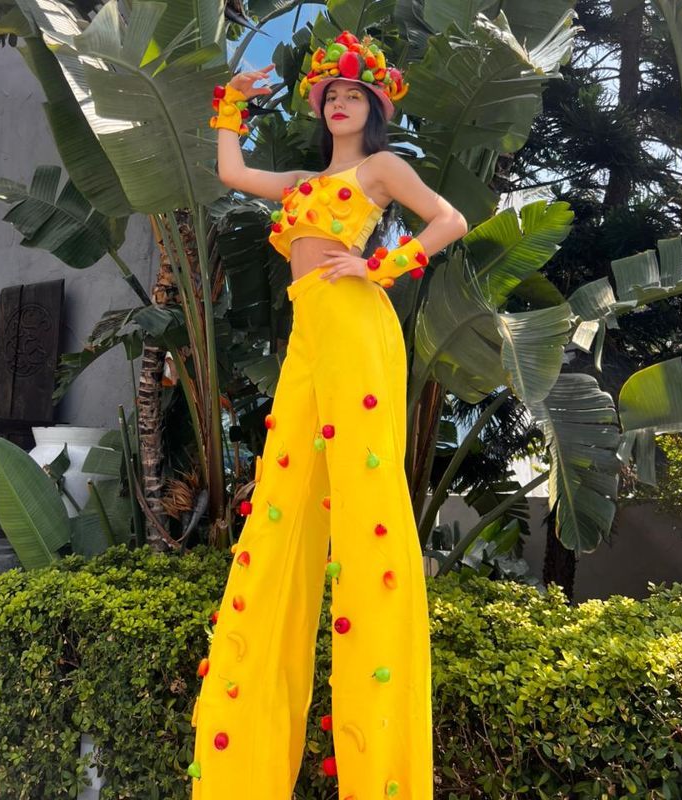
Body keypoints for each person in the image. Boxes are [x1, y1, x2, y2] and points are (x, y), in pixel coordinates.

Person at [189, 30, 468, 800]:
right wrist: (230, 105)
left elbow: (449, 220)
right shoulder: (303, 181)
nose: (340, 103)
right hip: (309, 335)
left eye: (352, 95)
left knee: (366, 512)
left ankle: (381, 775)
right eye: (331, 96)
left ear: (374, 106)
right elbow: (230, 171)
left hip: (356, 328)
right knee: (280, 509)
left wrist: (379, 265)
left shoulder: (382, 168)